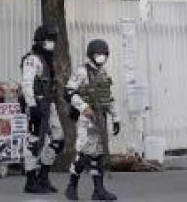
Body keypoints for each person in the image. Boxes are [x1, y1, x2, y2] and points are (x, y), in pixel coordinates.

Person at [64, 39, 121, 201]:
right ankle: (71, 187)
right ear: (91, 55)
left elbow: (108, 98)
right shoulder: (82, 71)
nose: (101, 57)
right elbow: (68, 92)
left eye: (104, 54)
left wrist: (116, 118)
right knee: (84, 154)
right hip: (86, 119)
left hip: (101, 118)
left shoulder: (103, 73)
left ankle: (98, 190)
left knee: (98, 155)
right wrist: (83, 107)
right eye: (98, 54)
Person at [21, 25, 65, 194]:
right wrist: (32, 106)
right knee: (33, 141)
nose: (51, 43)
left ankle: (44, 177)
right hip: (37, 104)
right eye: (49, 40)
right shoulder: (32, 59)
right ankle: (30, 180)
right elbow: (26, 83)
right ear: (40, 40)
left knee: (58, 140)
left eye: (53, 40)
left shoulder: (47, 59)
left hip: (48, 103)